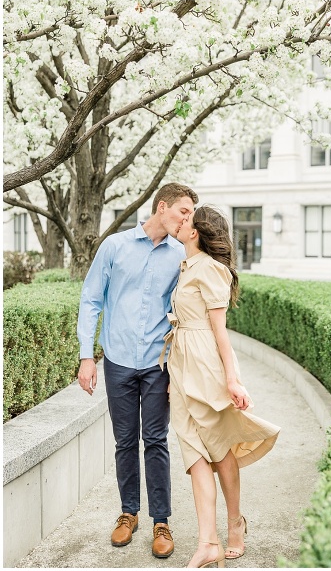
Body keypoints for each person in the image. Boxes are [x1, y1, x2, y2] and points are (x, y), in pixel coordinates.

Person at [77, 182, 199, 558]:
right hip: (117, 361)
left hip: (157, 364)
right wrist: (86, 356)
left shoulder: (180, 254)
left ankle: (161, 521)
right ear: (162, 207)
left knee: (156, 441)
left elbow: (184, 312)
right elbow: (92, 299)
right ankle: (128, 513)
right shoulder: (114, 246)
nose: (188, 219)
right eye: (184, 211)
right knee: (126, 441)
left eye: (191, 213)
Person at [163, 204, 280, 568]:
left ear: (195, 231)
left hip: (205, 365)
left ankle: (234, 524)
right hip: (180, 365)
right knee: (193, 452)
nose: (180, 223)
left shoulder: (211, 270)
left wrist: (232, 378)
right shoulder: (186, 266)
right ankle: (207, 543)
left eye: (185, 220)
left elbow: (220, 332)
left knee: (220, 449)